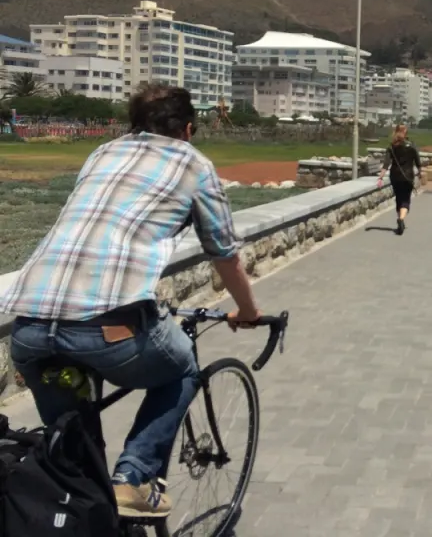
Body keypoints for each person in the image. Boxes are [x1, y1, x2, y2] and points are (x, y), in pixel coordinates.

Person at [1, 84, 262, 518]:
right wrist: (249, 312)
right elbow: (223, 252)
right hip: (106, 329)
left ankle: (88, 509)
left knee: (77, 457)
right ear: (189, 128)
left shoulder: (103, 153)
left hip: (29, 328)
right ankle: (136, 477)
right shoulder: (193, 164)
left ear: (133, 123)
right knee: (181, 369)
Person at [377, 123, 421, 235]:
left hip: (395, 176)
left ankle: (400, 222)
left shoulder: (392, 146)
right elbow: (417, 160)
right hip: (408, 176)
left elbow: (386, 163)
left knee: (398, 198)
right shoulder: (411, 145)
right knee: (406, 199)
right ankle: (401, 219)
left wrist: (381, 176)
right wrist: (420, 172)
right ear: (406, 132)